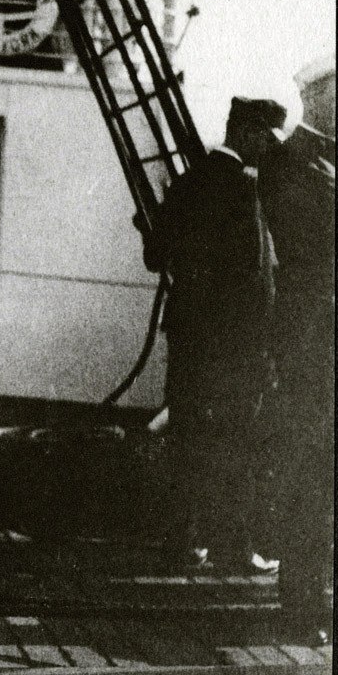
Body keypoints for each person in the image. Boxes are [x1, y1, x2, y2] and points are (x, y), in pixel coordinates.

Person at [141, 97, 282, 572]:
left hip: (189, 335)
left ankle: (179, 543)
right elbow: (250, 278)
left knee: (186, 438)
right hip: (230, 346)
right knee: (235, 443)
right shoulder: (241, 190)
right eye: (266, 136)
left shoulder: (188, 182)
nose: (269, 146)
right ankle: (232, 548)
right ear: (247, 132)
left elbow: (156, 254)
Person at [258, 116, 335, 644]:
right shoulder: (302, 171)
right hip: (315, 362)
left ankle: (306, 606)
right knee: (313, 486)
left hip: (315, 357)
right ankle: (302, 608)